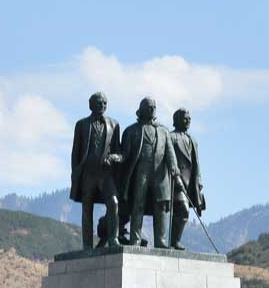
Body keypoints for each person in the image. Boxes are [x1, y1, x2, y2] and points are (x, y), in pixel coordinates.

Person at [119, 97, 181, 248]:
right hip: (140, 172)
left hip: (160, 174)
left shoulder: (163, 131)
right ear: (141, 110)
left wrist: (175, 173)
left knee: (160, 207)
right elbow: (124, 155)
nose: (152, 109)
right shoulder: (131, 130)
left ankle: (160, 241)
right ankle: (135, 239)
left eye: (154, 106)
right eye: (148, 107)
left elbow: (170, 154)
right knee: (138, 204)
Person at [70, 92, 122, 251]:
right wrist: (75, 174)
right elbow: (75, 152)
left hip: (106, 175)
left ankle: (113, 239)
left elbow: (120, 153)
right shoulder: (82, 125)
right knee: (87, 209)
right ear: (91, 105)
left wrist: (113, 157)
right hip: (87, 174)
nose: (102, 106)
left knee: (113, 203)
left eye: (105, 103)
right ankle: (87, 245)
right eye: (99, 103)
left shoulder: (114, 124)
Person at [169, 107, 206, 250]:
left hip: (190, 184)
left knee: (184, 211)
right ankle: (174, 241)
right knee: (183, 210)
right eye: (185, 118)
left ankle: (174, 241)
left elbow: (197, 165)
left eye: (189, 118)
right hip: (175, 182)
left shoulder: (192, 140)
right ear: (177, 120)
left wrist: (199, 184)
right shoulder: (171, 137)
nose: (188, 120)